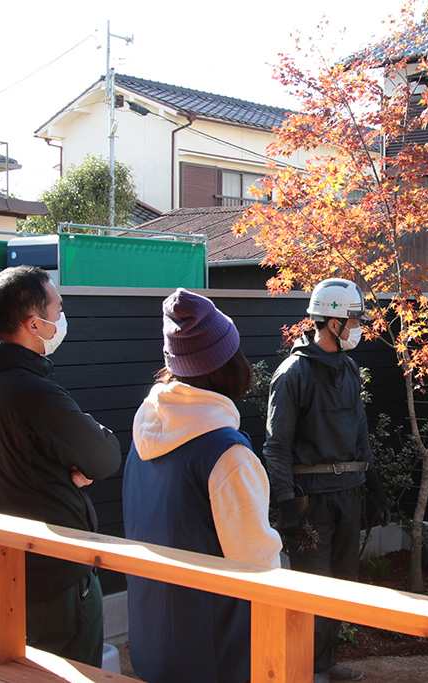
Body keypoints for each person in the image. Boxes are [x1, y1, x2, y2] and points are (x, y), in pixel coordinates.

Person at [0, 266, 120, 666]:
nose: (61, 320)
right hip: (56, 573)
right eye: (57, 311)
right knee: (69, 668)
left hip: (7, 562)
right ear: (33, 323)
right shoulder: (30, 389)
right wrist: (78, 464)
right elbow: (105, 454)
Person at [123, 288, 282, 683]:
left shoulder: (145, 431)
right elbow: (257, 563)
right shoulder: (225, 453)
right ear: (227, 364)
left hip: (154, 637)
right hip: (215, 652)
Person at [264, 278, 390, 683]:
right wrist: (286, 505)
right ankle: (301, 670)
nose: (359, 327)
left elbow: (359, 431)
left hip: (348, 494)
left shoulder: (350, 368)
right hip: (309, 499)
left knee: (344, 586)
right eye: (354, 319)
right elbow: (276, 446)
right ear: (333, 321)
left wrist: (373, 485)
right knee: (313, 589)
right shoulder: (292, 374)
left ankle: (324, 664)